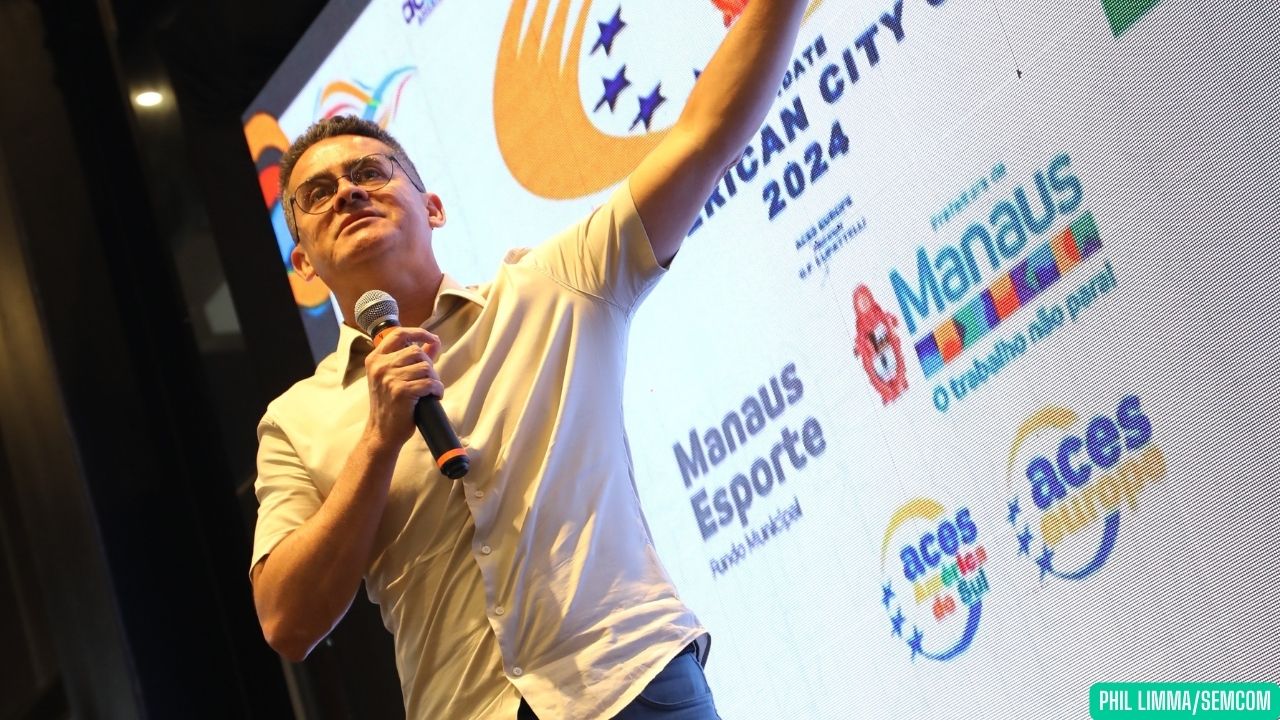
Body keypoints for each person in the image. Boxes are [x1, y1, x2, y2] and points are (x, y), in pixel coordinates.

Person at [249, 2, 809, 717]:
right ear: (303, 263)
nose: (349, 191)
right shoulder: (295, 421)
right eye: (318, 194)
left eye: (370, 171)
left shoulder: (555, 286)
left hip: (631, 684)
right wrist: (379, 441)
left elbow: (702, 138)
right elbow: (286, 621)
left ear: (434, 208)